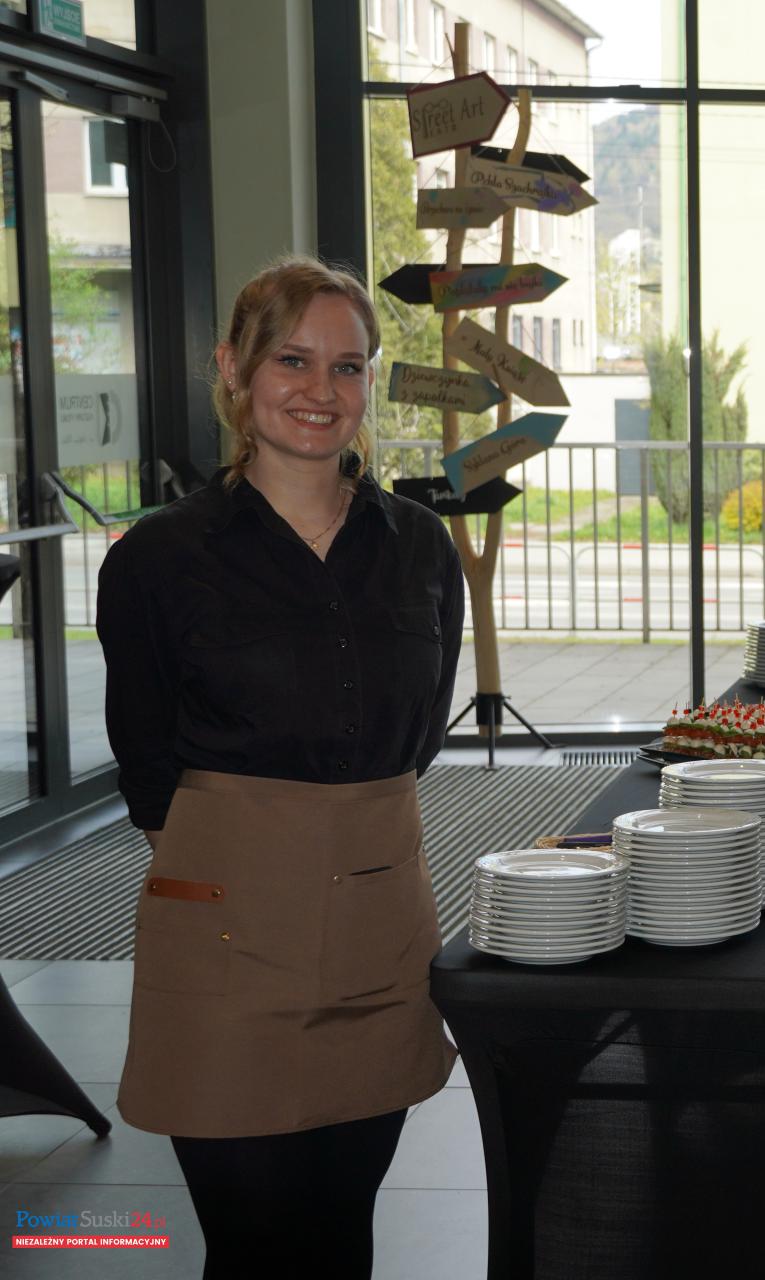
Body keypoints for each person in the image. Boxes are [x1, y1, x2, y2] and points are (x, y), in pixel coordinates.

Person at [97, 256, 464, 1279]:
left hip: (381, 920)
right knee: (255, 1241)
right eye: (292, 360)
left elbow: (419, 733)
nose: (321, 389)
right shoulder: (161, 558)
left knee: (342, 1230)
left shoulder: (419, 546)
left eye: (348, 366)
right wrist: (247, 858)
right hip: (227, 926)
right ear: (233, 369)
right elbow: (146, 761)